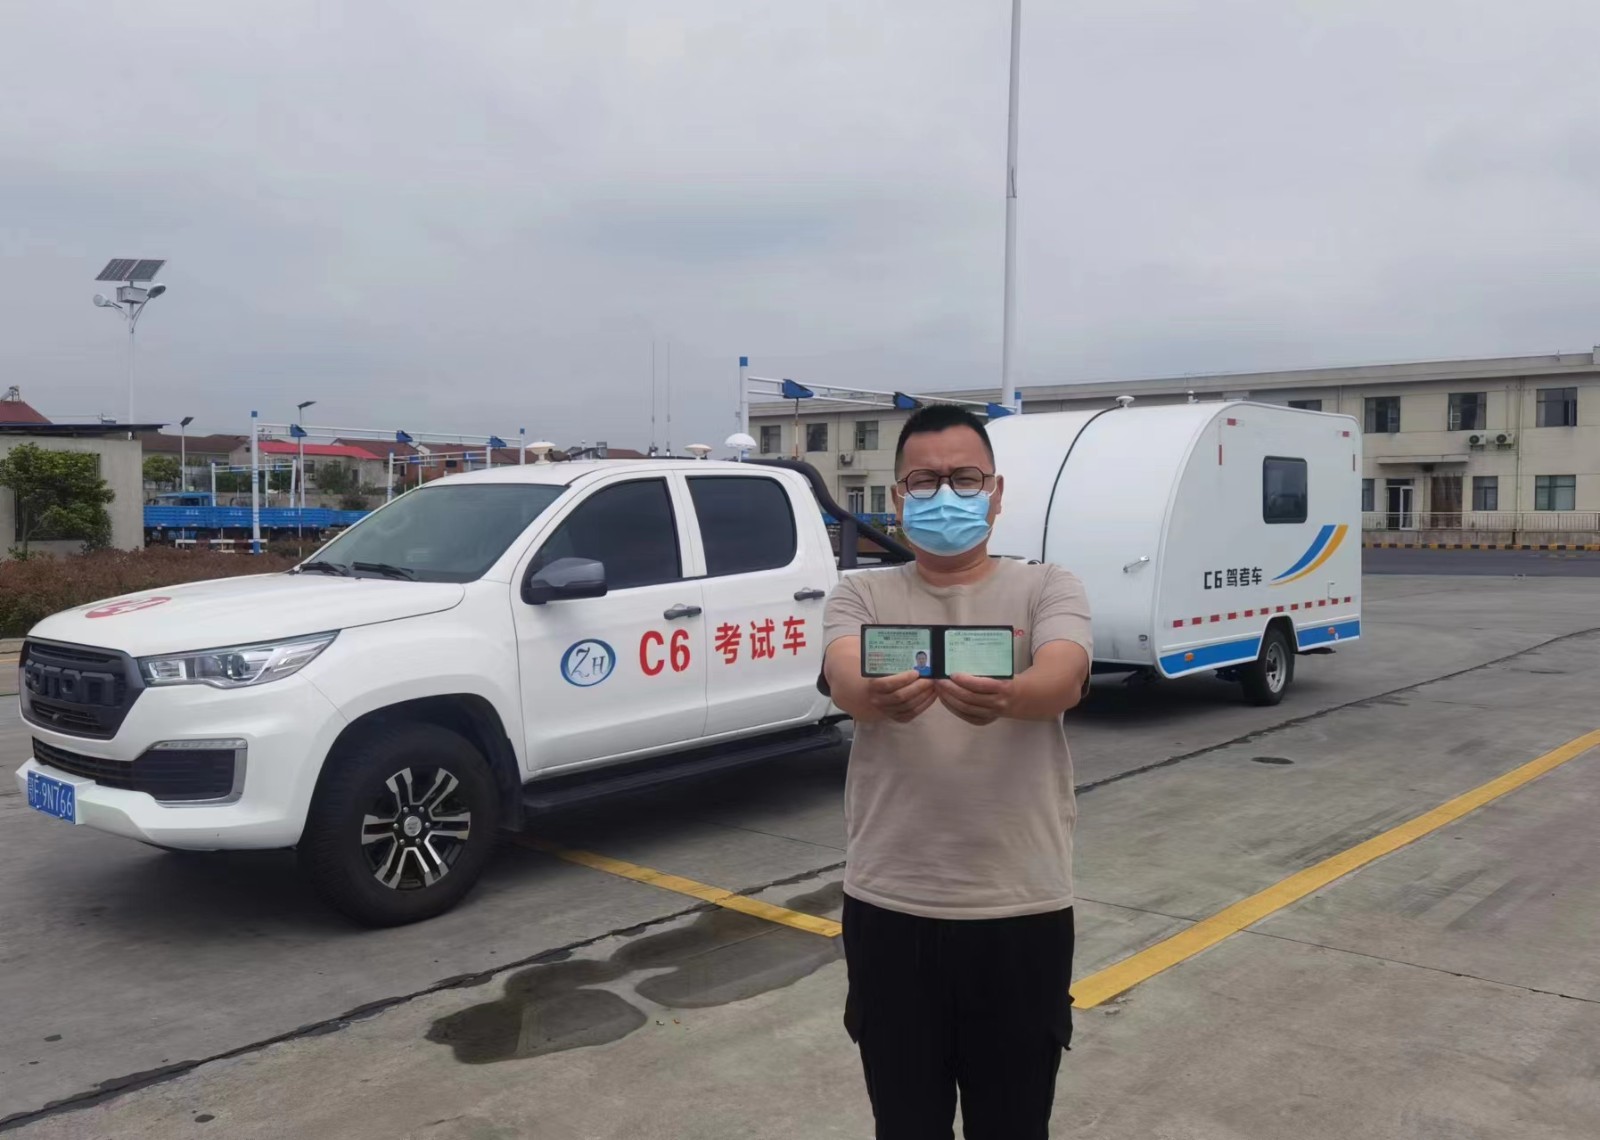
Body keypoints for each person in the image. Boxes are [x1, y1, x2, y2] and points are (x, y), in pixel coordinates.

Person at [822, 403, 1093, 1140]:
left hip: (1020, 910)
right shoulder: (860, 593)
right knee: (906, 1124)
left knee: (1014, 1125)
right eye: (924, 481)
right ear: (898, 497)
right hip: (890, 908)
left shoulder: (1048, 587)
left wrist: (1012, 696)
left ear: (996, 493)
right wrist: (873, 694)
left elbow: (1065, 673)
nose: (945, 494)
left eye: (964, 478)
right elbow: (844, 676)